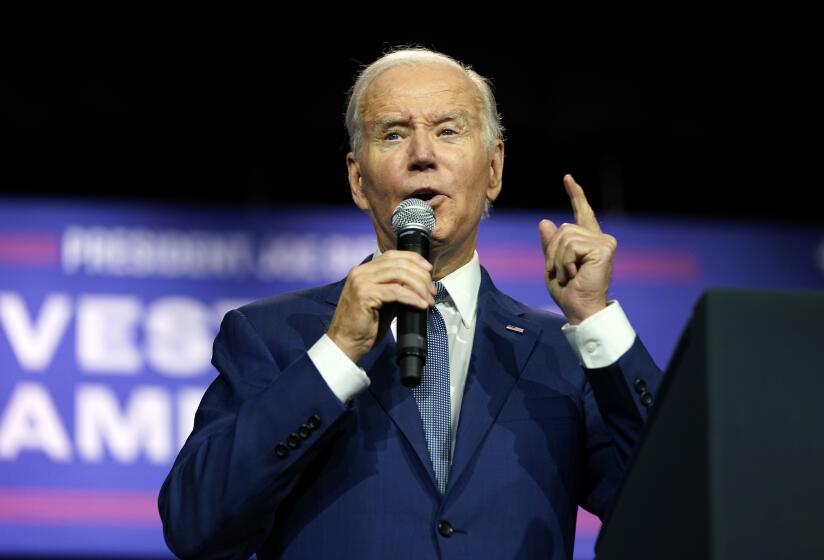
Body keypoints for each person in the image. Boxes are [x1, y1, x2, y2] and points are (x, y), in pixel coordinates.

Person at [158, 48, 662, 559]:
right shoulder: (273, 335)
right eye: (394, 134)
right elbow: (195, 526)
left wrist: (596, 318)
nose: (422, 154)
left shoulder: (561, 355)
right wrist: (336, 353)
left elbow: (674, 509)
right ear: (358, 179)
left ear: (493, 169)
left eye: (448, 131)